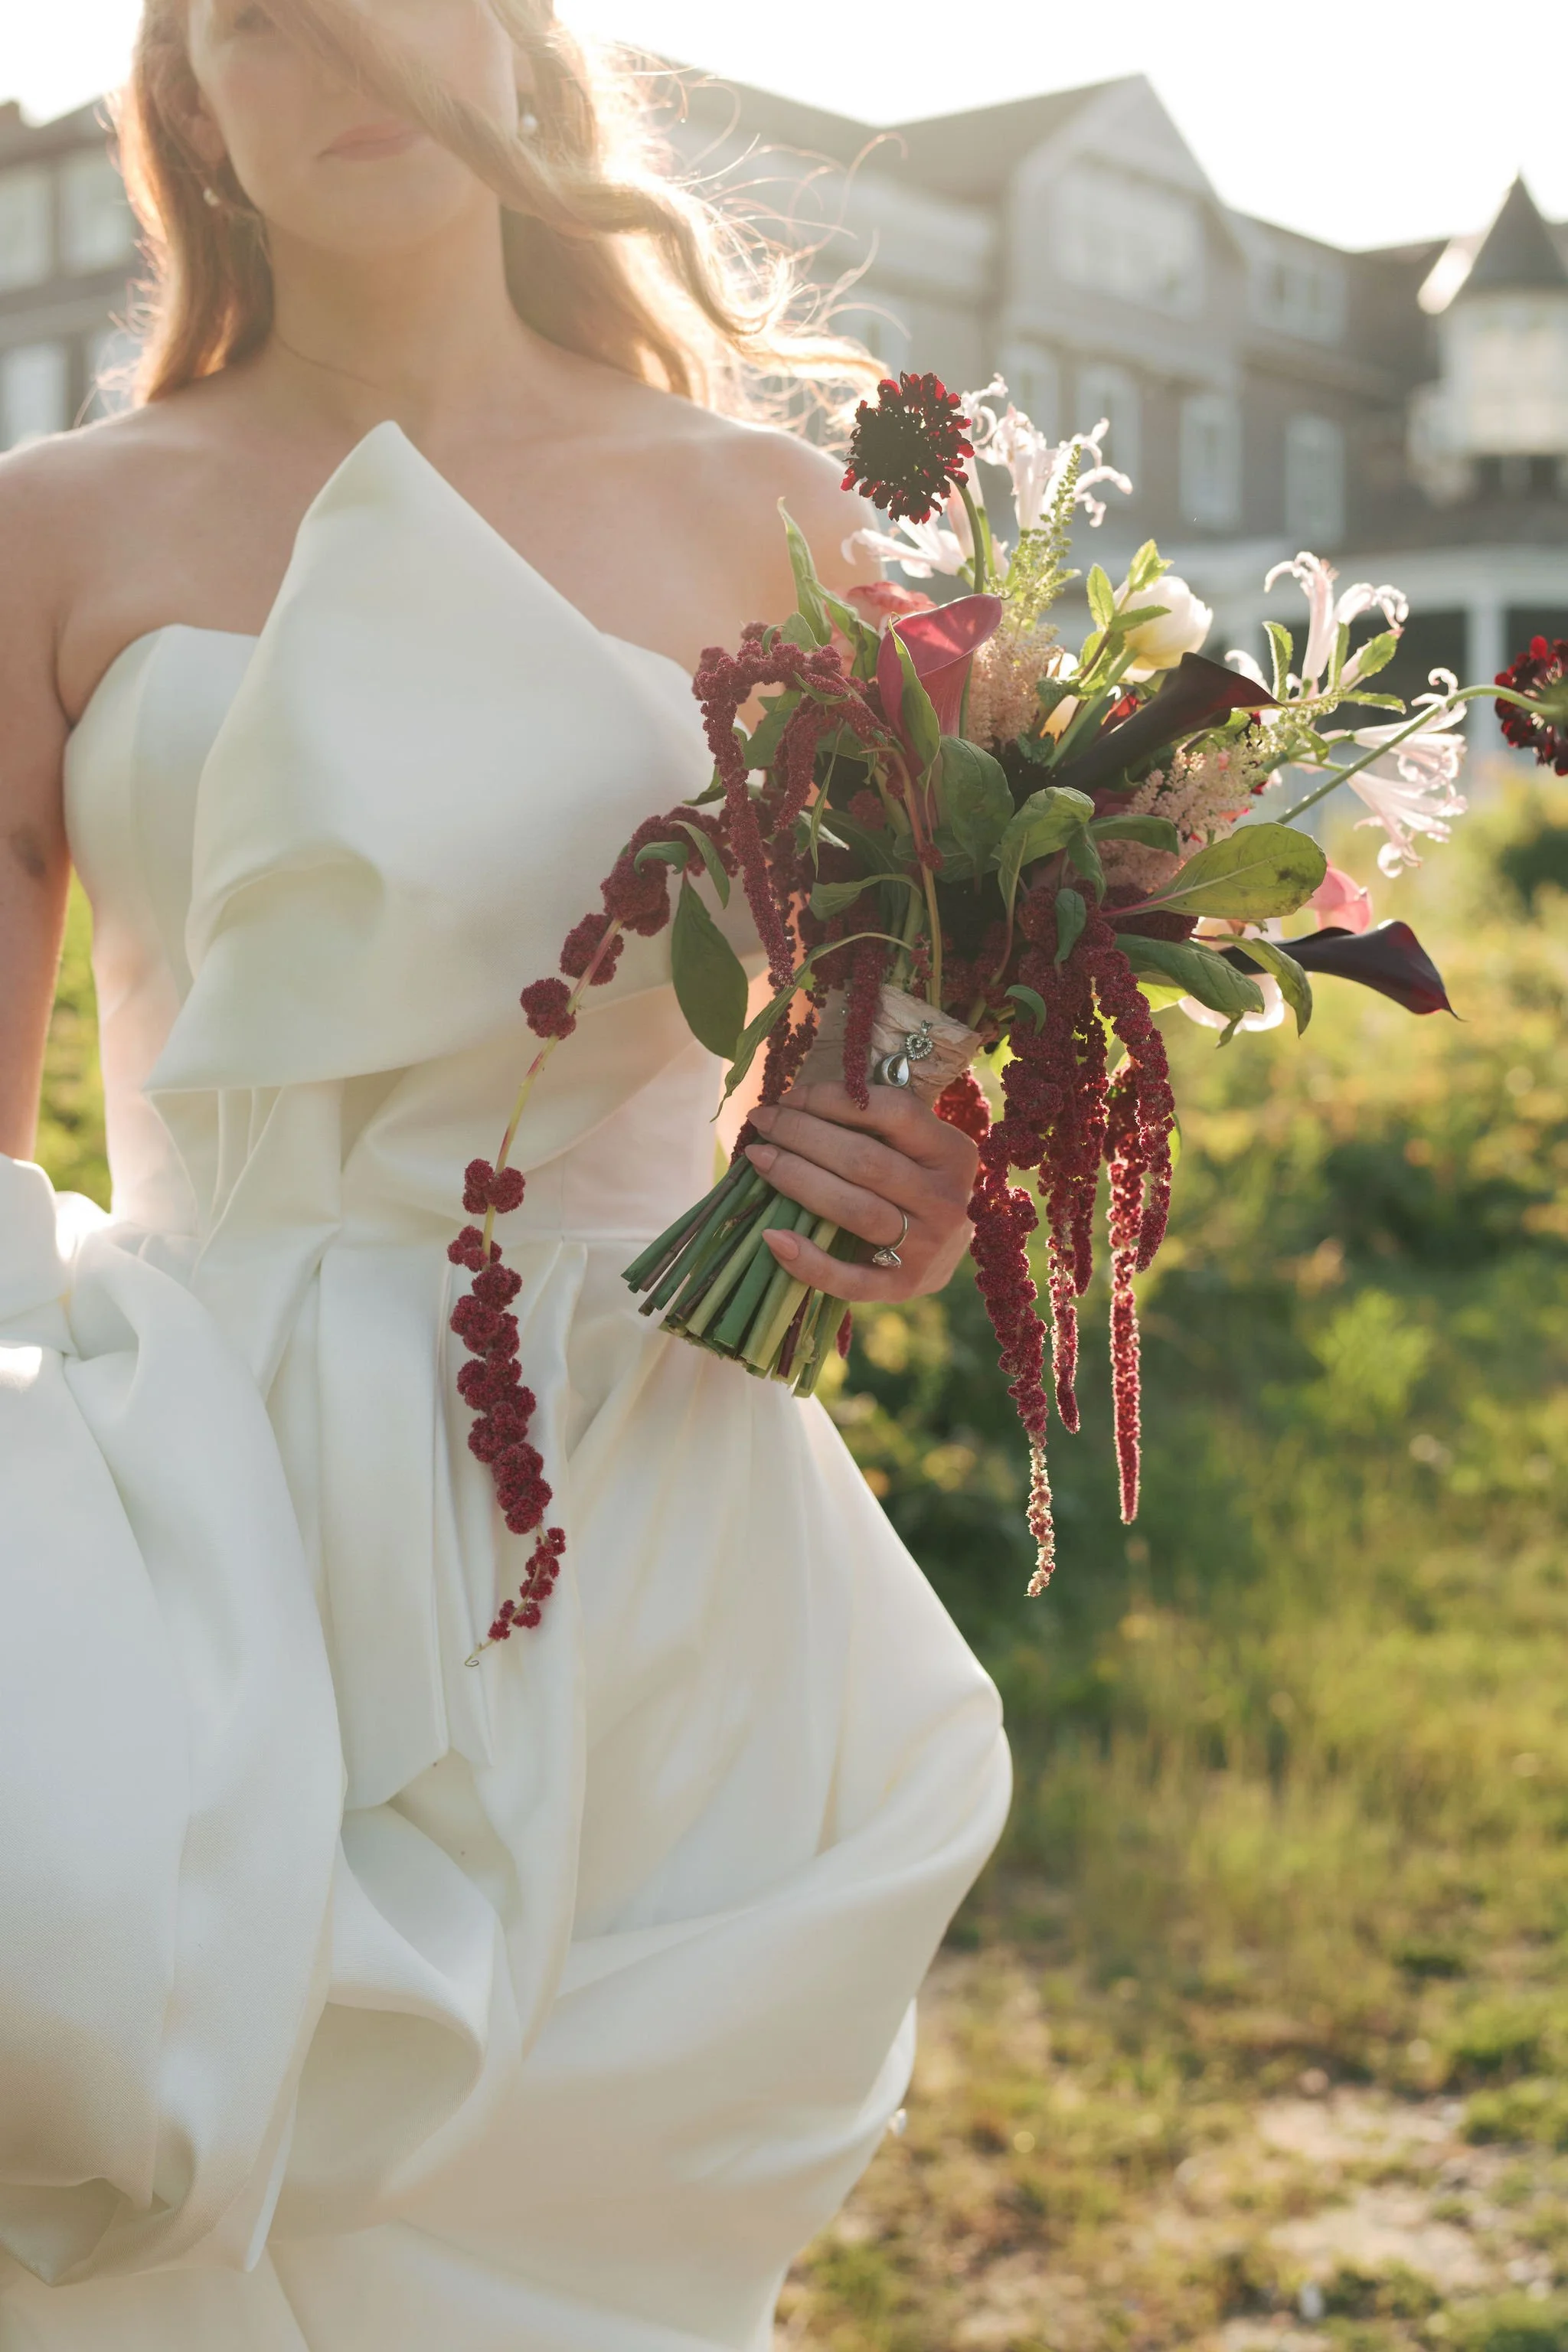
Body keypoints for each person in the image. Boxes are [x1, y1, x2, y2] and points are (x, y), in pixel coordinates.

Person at [0, 2, 1011, 2344]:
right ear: (187, 103)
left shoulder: (774, 514)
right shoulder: (50, 528)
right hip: (199, 1523)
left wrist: (898, 1191)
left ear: (521, 42)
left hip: (650, 1507)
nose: (346, 44)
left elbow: (897, 1064)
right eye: (262, 9)